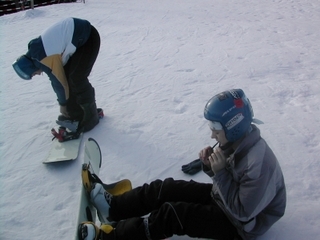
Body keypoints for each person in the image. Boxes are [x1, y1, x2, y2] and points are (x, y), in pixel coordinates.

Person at [78, 89, 286, 240]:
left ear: (233, 126)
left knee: (173, 215)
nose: (211, 133)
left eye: (215, 127)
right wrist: (209, 165)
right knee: (165, 189)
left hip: (241, 225)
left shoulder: (259, 165)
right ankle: (114, 208)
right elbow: (229, 180)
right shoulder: (235, 140)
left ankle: (113, 238)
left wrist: (220, 173)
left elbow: (243, 212)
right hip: (225, 199)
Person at [12, 17, 100, 132]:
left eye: (34, 74)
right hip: (79, 37)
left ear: (31, 67)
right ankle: (77, 112)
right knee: (69, 77)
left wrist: (63, 105)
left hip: (88, 38)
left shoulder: (43, 59)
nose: (37, 74)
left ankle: (91, 116)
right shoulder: (36, 52)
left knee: (77, 78)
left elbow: (59, 83)